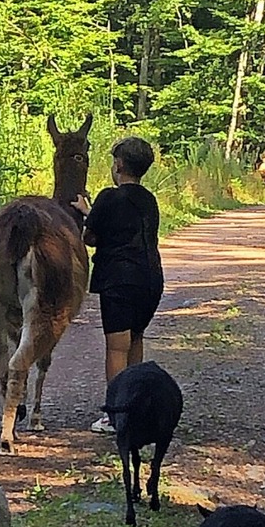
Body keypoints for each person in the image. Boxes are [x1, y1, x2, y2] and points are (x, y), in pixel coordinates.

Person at [72, 136, 164, 433]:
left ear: (119, 165)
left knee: (116, 349)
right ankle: (134, 407)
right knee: (135, 340)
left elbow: (91, 237)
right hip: (150, 279)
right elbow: (126, 226)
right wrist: (93, 213)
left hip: (119, 281)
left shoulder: (108, 197)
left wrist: (89, 216)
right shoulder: (149, 200)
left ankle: (115, 414)